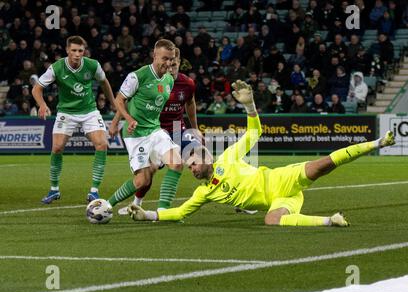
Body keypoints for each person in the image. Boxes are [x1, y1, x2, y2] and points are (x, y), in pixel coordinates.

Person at [129, 80, 396, 227]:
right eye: (189, 166)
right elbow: (179, 213)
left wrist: (250, 106)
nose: (192, 168)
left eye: (194, 162)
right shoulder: (203, 193)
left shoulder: (229, 157)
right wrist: (149, 215)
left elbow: (254, 134)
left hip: (281, 180)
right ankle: (330, 221)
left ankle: (377, 143)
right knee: (272, 220)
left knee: (324, 164)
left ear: (207, 157)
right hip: (280, 200)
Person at [109, 48, 202, 215]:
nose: (170, 65)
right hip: (147, 131)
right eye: (166, 60)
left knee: (198, 159)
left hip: (173, 129)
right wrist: (119, 122)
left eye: (173, 62)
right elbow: (125, 100)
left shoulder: (183, 83)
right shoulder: (143, 77)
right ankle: (132, 203)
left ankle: (233, 195)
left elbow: (190, 104)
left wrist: (194, 128)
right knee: (145, 177)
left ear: (179, 62)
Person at [32, 36, 117, 204]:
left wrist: (113, 103)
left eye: (80, 51)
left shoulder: (93, 65)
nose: (77, 54)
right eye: (74, 51)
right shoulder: (57, 68)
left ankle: (94, 191)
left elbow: (104, 82)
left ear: (84, 51)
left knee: (102, 144)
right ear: (67, 51)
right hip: (66, 112)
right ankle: (54, 189)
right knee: (56, 148)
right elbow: (37, 88)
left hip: (89, 111)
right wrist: (42, 105)